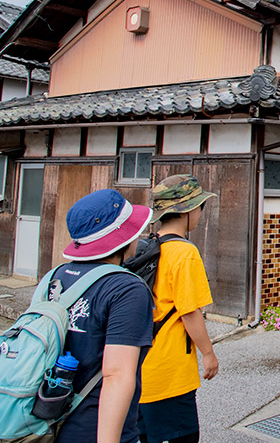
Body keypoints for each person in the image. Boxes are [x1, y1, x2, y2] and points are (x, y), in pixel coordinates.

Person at [55, 189, 154, 443]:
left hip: (49, 422)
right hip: (96, 428)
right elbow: (116, 376)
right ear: (121, 238)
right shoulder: (126, 289)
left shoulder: (55, 277)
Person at [137, 174, 219, 443]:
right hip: (170, 374)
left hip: (141, 367)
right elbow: (189, 312)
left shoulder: (147, 247)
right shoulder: (185, 253)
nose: (199, 214)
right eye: (199, 207)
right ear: (187, 210)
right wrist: (208, 353)